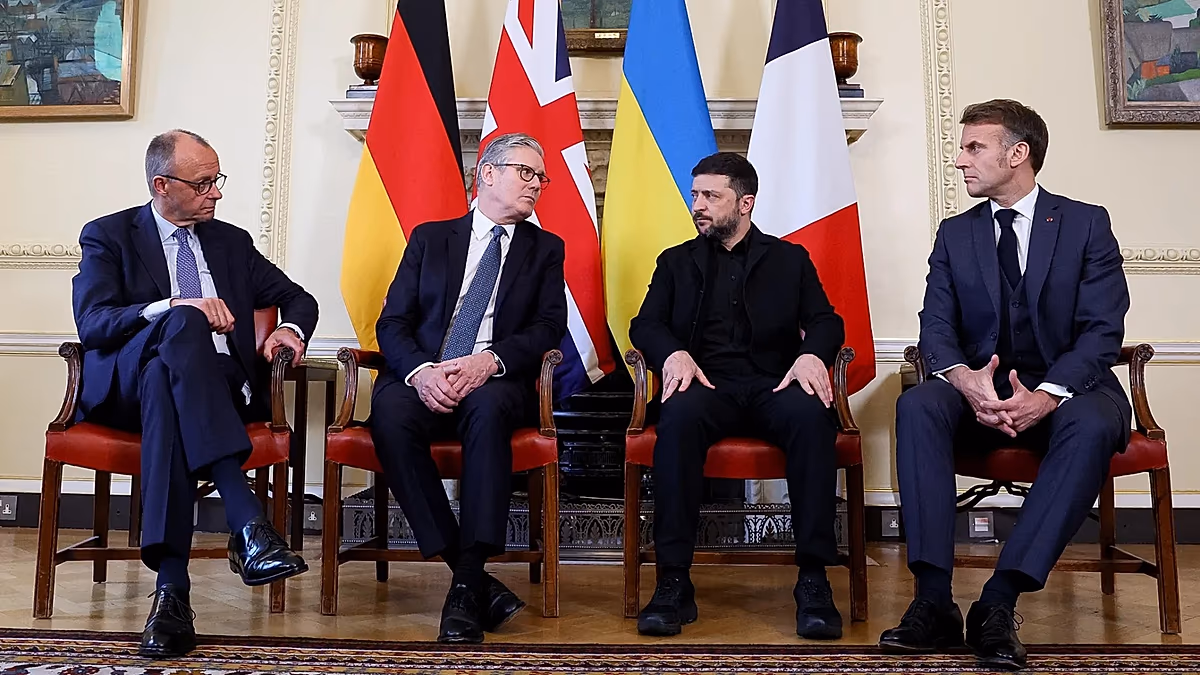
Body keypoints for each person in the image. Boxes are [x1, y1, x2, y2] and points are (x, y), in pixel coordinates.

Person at [879, 99, 1131, 670]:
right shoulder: (955, 234)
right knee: (918, 404)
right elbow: (935, 326)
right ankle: (933, 601)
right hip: (980, 396)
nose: (960, 160)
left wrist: (1047, 395)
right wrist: (964, 381)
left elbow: (1101, 330)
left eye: (974, 147)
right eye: (962, 147)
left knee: (1094, 420)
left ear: (1018, 154)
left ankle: (998, 601)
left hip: (1067, 395)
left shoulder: (1085, 223)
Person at [72, 130, 318, 658]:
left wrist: (289, 330)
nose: (216, 192)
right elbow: (92, 323)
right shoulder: (109, 235)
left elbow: (299, 298)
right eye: (203, 183)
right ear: (161, 185)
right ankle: (247, 522)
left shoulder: (231, 242)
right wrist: (173, 307)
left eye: (217, 179)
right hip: (127, 390)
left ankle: (172, 593)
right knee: (180, 331)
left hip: (219, 384)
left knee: (168, 384)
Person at [628, 152, 846, 639]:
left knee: (812, 418)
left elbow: (826, 320)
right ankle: (673, 580)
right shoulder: (675, 261)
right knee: (677, 419)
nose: (698, 206)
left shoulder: (790, 259)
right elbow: (645, 324)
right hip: (706, 385)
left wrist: (811, 355)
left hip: (775, 384)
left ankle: (813, 578)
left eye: (711, 196)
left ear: (745, 203)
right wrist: (673, 354)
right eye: (695, 195)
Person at [369, 132, 567, 644]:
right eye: (526, 172)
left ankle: (466, 579)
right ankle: (471, 577)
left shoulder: (545, 249)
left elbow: (548, 328)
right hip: (425, 372)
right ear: (488, 174)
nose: (536, 184)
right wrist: (422, 372)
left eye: (541, 177)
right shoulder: (431, 238)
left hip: (493, 378)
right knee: (390, 413)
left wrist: (490, 360)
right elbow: (393, 322)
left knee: (488, 408)